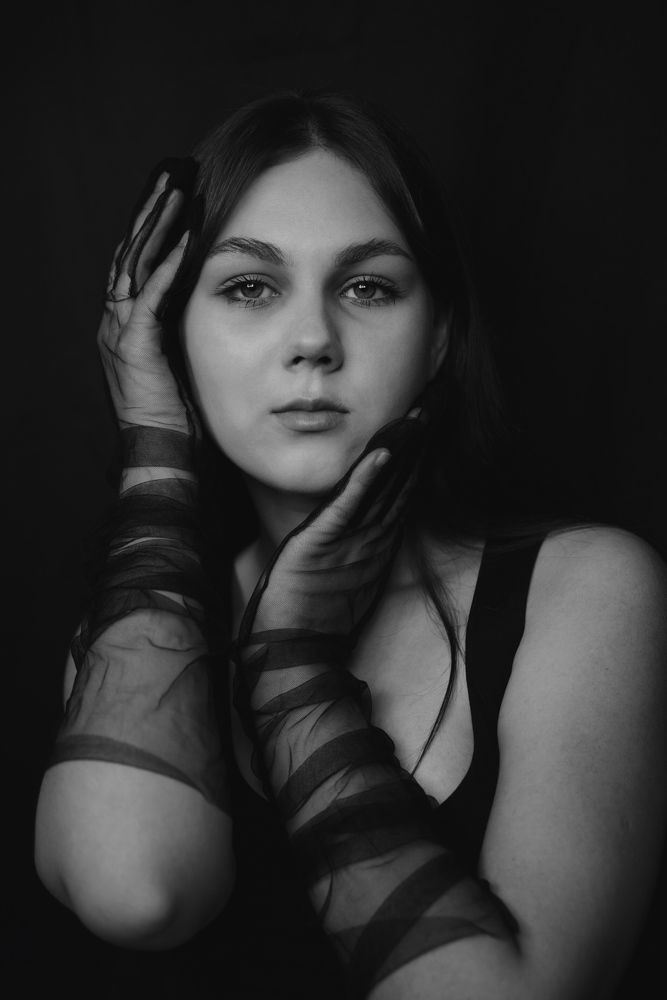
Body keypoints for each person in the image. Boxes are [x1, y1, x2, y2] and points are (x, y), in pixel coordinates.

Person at [34, 89, 667, 999]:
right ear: (171, 337)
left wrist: (293, 664)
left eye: (368, 287)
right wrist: (153, 457)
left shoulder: (586, 591)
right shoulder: (138, 635)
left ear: (438, 337)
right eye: (249, 288)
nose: (311, 341)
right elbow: (136, 896)